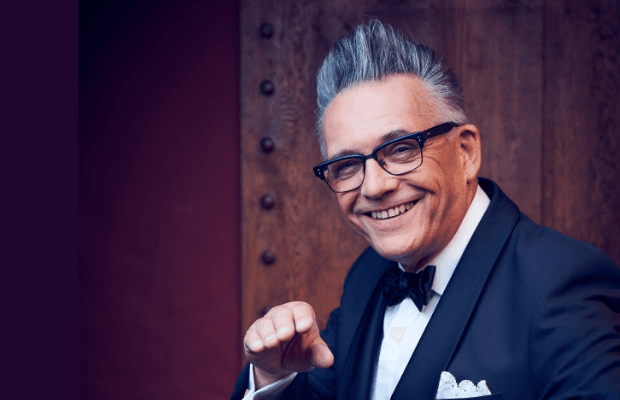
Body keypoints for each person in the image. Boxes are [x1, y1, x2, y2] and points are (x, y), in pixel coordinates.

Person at [230, 20, 620, 400]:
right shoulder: (366, 275)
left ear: (466, 152)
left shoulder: (562, 283)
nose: (375, 187)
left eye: (401, 149)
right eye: (347, 164)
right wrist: (272, 376)